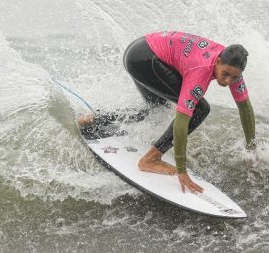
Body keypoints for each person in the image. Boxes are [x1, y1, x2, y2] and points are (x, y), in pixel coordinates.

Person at [82, 31, 256, 194]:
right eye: (225, 74)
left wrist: (251, 148)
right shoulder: (200, 71)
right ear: (217, 62)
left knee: (156, 107)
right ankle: (151, 159)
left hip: (140, 50)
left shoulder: (231, 66)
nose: (228, 81)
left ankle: (97, 120)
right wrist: (181, 169)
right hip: (145, 59)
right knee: (200, 109)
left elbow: (245, 108)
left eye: (234, 77)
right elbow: (182, 121)